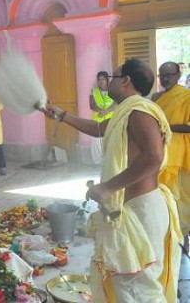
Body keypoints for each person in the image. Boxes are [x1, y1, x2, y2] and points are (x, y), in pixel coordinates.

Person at [42, 58, 181, 302]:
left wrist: (108, 187)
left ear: (126, 81)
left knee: (138, 287)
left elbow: (153, 156)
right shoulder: (126, 112)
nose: (108, 83)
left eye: (114, 78)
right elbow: (99, 129)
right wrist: (62, 115)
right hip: (130, 209)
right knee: (125, 284)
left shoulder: (139, 112)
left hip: (142, 211)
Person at [152, 62, 190, 236]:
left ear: (178, 75)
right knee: (162, 197)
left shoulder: (186, 97)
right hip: (159, 152)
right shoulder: (156, 97)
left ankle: (181, 238)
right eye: (162, 75)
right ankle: (166, 236)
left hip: (179, 154)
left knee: (179, 199)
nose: (165, 79)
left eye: (169, 75)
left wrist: (166, 126)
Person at [89, 71, 115, 165]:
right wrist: (99, 110)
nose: (101, 81)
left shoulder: (113, 90)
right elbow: (91, 105)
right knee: (97, 142)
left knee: (110, 140)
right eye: (99, 79)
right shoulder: (94, 91)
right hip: (98, 119)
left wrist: (107, 111)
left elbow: (116, 104)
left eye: (103, 79)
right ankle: (97, 163)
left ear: (107, 80)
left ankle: (110, 162)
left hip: (110, 119)